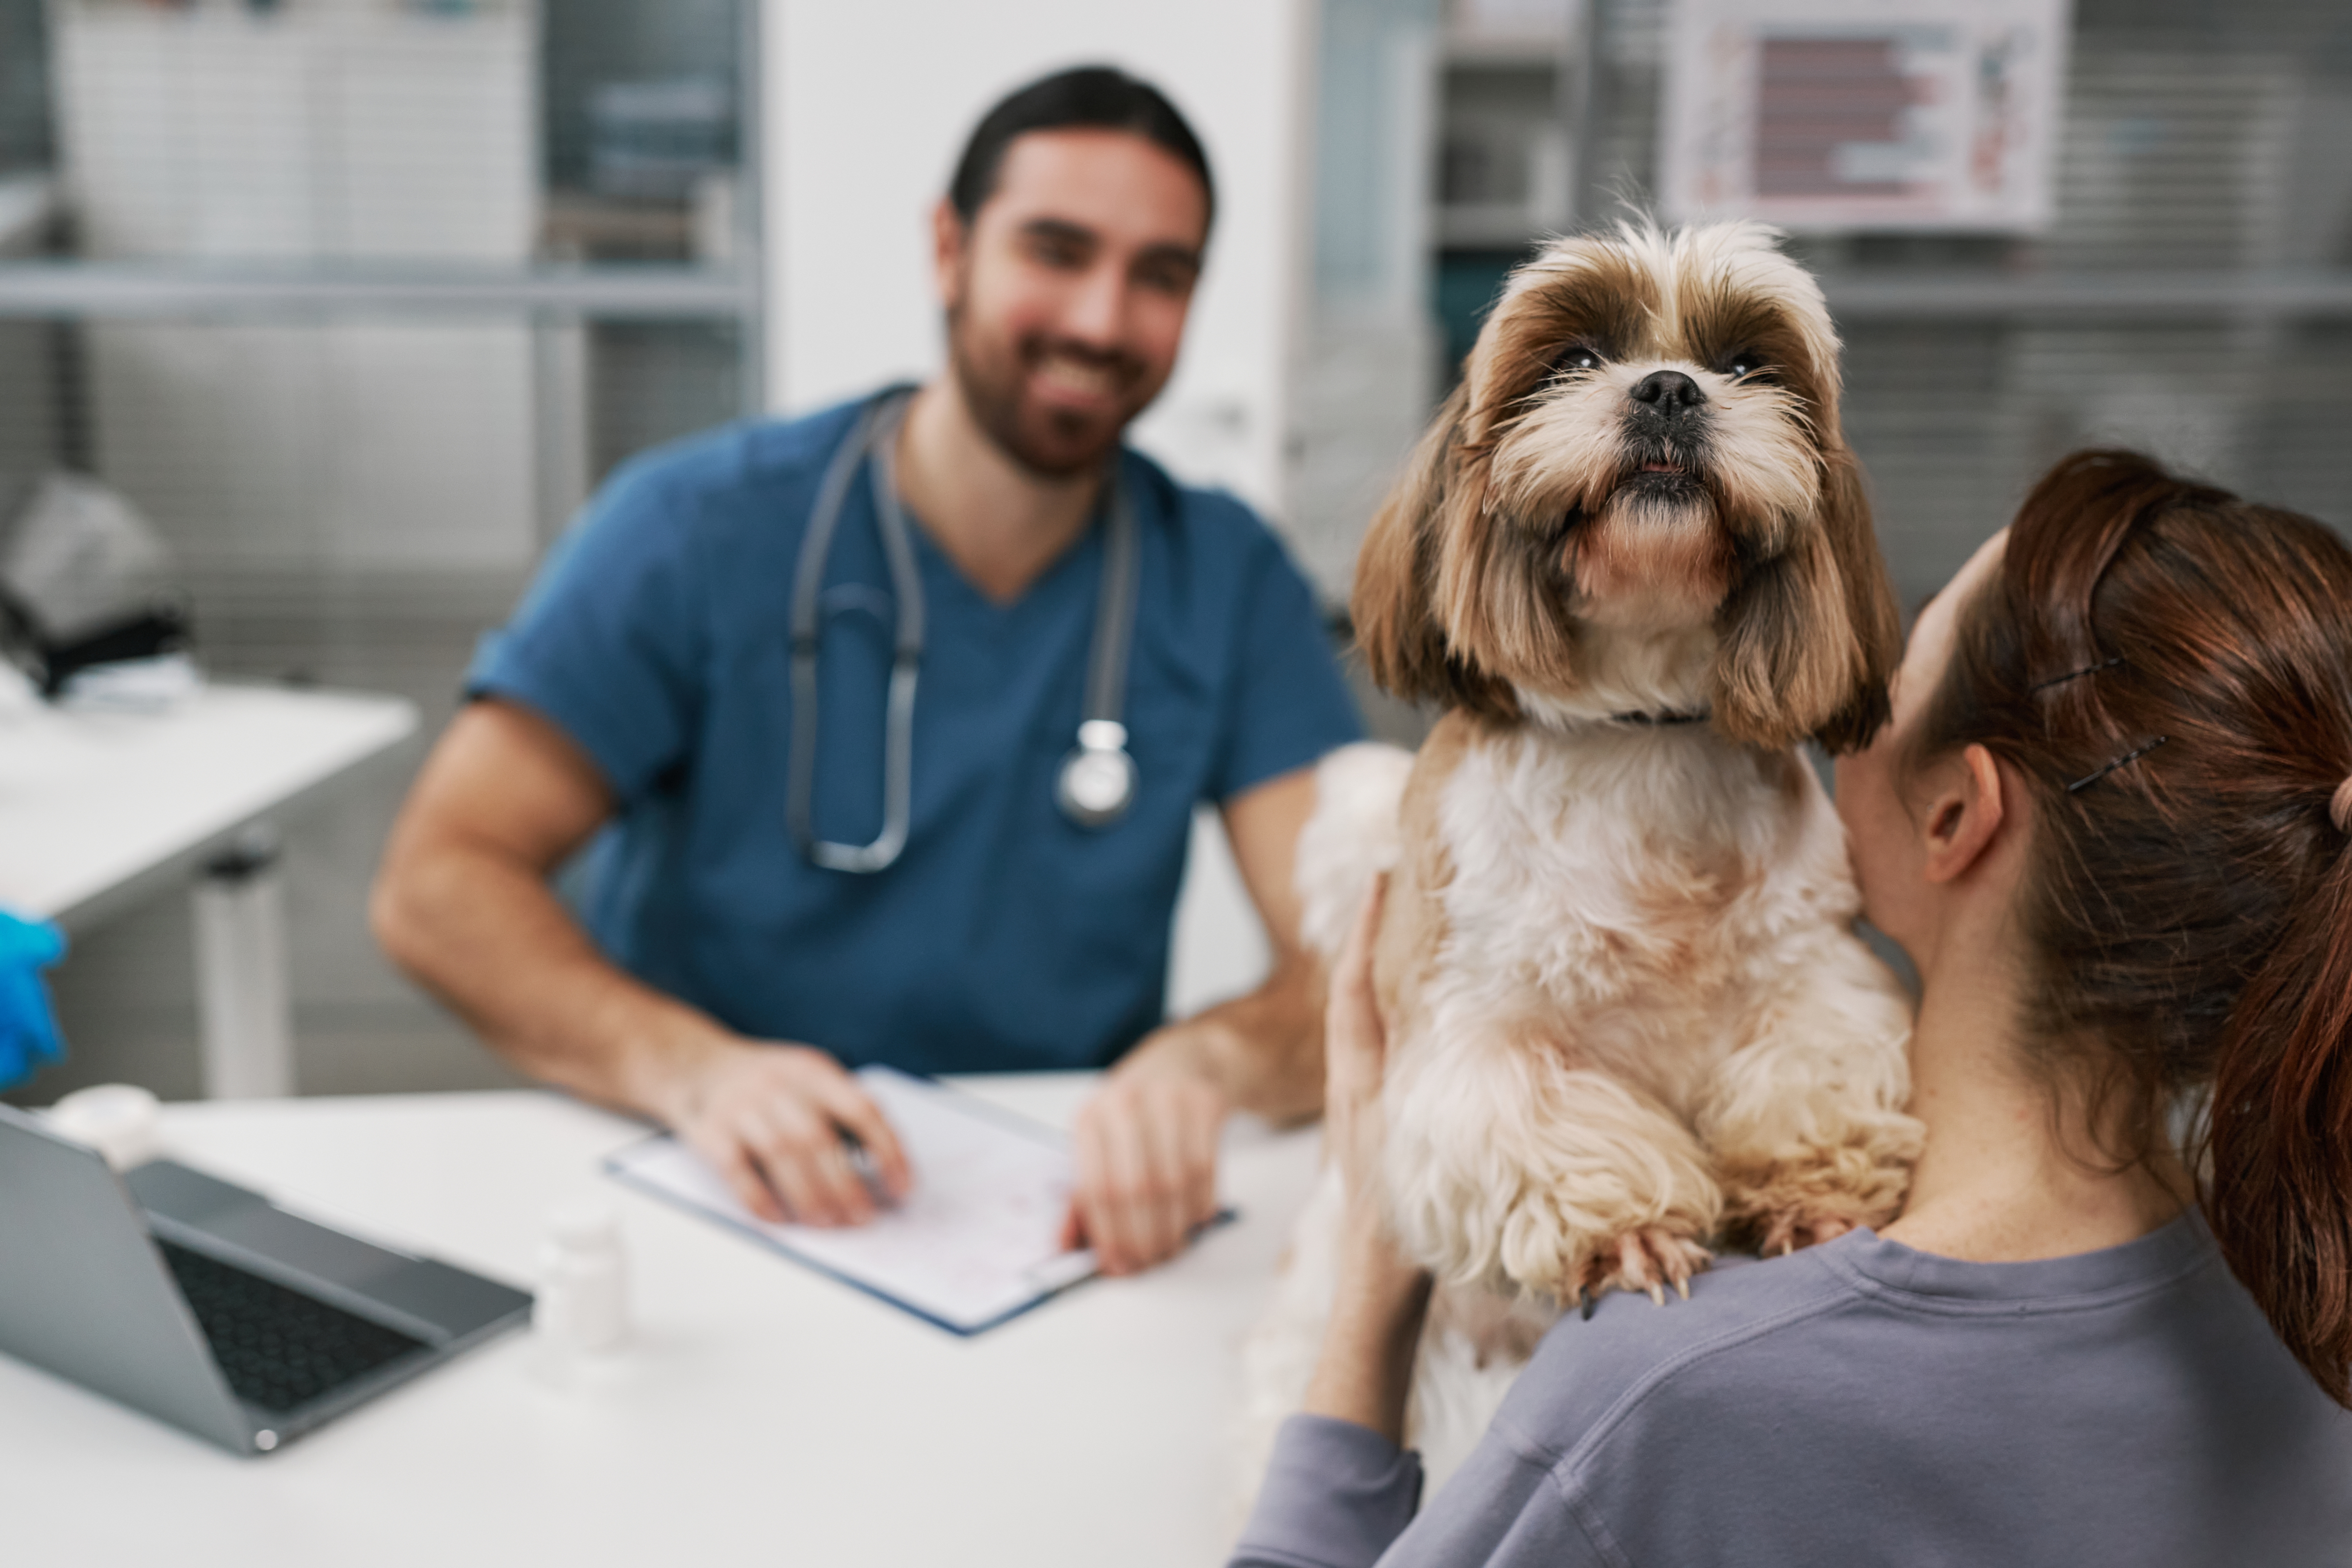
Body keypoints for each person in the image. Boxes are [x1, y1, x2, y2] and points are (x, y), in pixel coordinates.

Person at [1232, 449, 2352, 1565]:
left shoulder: (1659, 1399)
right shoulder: (2309, 1335)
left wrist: (1369, 1303)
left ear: (1956, 816)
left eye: (1899, 671)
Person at [371, 66, 1361, 1276]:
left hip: (1049, 1229)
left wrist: (1213, 1061)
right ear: (949, 249)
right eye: (1056, 251)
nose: (1103, 321)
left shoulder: (1226, 576)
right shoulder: (697, 530)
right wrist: (690, 1069)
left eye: (1160, 276)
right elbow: (439, 882)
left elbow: (1364, 962)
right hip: (718, 1199)